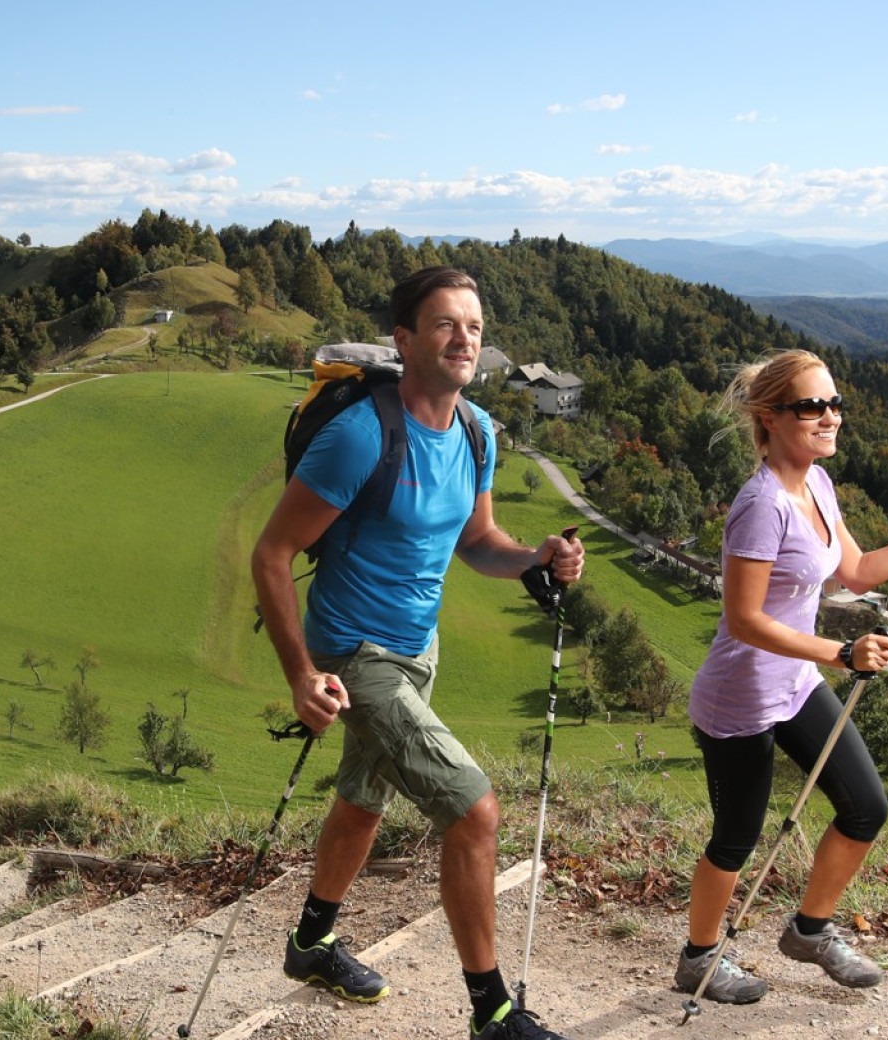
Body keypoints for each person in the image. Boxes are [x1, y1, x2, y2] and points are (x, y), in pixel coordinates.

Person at [251, 266, 585, 1040]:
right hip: (352, 650)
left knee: (365, 799)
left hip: (416, 647)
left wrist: (535, 556)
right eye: (445, 324)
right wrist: (302, 673)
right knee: (473, 812)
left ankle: (311, 941)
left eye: (473, 324)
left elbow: (477, 541)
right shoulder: (359, 435)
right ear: (405, 341)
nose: (464, 337)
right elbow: (271, 553)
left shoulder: (477, 432)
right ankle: (491, 1012)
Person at [671, 349, 888, 1005]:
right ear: (769, 417)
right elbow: (745, 620)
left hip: (794, 687)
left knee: (866, 808)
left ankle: (809, 930)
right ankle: (698, 960)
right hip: (739, 698)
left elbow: (857, 574)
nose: (829, 416)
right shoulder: (762, 505)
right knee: (736, 839)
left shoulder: (816, 486)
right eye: (812, 406)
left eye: (834, 403)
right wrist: (839, 653)